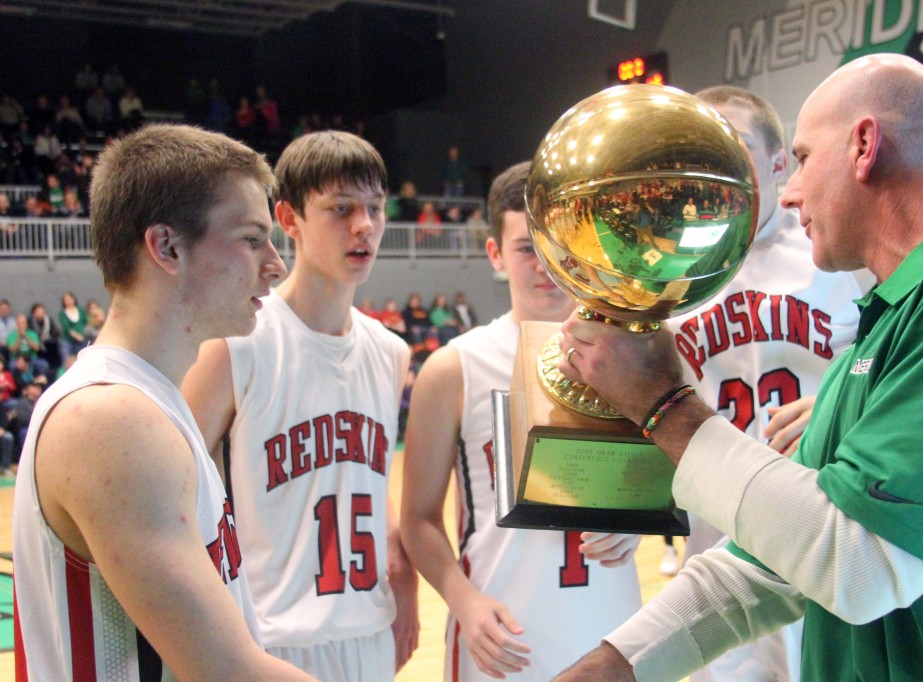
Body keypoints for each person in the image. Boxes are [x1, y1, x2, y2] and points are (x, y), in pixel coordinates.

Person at [553, 54, 923, 682]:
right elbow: (768, 566)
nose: (791, 189)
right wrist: (614, 665)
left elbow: (861, 567)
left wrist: (664, 404)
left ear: (863, 145)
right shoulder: (881, 322)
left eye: (801, 158)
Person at [12, 123, 313, 679]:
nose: (276, 264)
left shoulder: (151, 403)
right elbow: (231, 673)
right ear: (167, 246)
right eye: (251, 239)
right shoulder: (112, 420)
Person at [182, 130, 419, 680]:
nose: (365, 226)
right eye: (341, 209)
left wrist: (403, 583)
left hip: (368, 629)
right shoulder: (236, 344)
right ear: (287, 219)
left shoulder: (391, 352)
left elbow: (374, 487)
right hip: (269, 638)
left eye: (375, 209)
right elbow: (181, 496)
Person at [401, 161, 643, 682]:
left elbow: (667, 482)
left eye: (558, 242)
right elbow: (418, 518)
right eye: (525, 247)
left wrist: (637, 529)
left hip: (614, 627)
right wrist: (461, 600)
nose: (545, 264)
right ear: (494, 254)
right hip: (503, 637)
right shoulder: (454, 367)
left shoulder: (633, 353)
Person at [662, 85, 871, 682]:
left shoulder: (840, 250)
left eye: (735, 144)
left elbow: (897, 360)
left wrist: (841, 396)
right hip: (717, 540)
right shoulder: (671, 268)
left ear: (780, 164)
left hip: (824, 534)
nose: (718, 162)